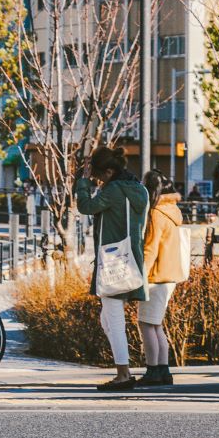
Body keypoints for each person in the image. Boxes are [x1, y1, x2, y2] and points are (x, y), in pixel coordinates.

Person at [74, 145, 148, 392]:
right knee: (107, 318)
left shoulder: (114, 190)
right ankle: (122, 369)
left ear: (108, 171)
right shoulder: (140, 189)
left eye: (97, 175)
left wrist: (83, 182)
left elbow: (86, 207)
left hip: (114, 262)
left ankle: (123, 375)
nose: (96, 179)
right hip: (132, 258)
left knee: (114, 320)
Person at [138, 170, 188, 387]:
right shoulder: (172, 210)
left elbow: (150, 248)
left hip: (156, 276)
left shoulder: (156, 214)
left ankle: (153, 370)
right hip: (170, 275)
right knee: (156, 325)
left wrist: (140, 275)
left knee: (147, 324)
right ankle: (163, 370)